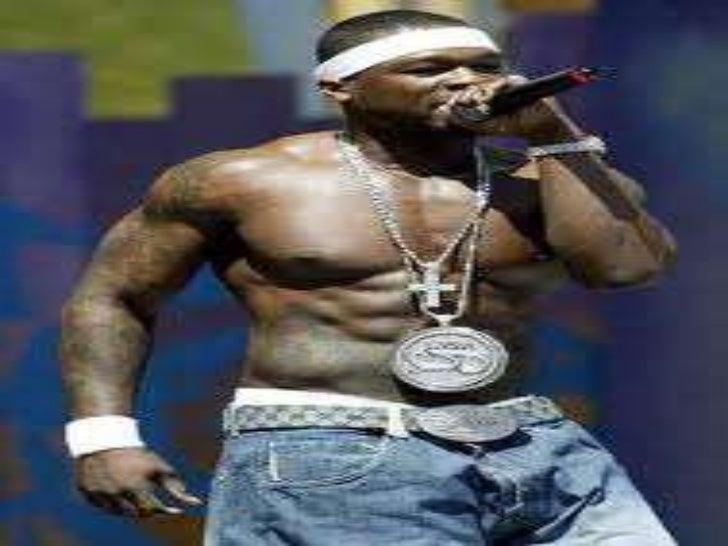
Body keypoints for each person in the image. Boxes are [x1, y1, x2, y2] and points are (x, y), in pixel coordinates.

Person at [60, 9, 679, 545]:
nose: (466, 81)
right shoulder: (243, 181)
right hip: (333, 447)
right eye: (430, 69)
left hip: (532, 443)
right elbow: (114, 297)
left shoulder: (549, 179)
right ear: (342, 87)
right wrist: (103, 437)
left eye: (486, 66)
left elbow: (625, 270)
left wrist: (554, 137)